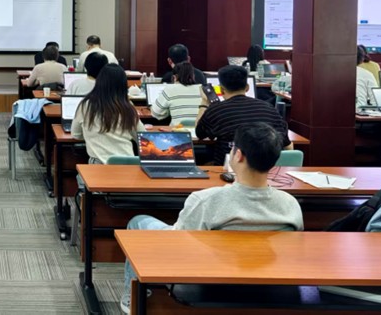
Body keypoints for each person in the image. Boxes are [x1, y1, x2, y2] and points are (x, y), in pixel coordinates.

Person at [120, 124, 304, 314]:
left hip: (210, 281)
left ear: (238, 155)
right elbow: (294, 247)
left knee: (138, 222)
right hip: (269, 284)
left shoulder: (205, 200)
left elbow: (177, 245)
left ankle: (131, 299)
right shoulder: (290, 204)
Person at [194, 65, 291, 164]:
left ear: (222, 90)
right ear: (247, 87)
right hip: (265, 168)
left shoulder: (216, 110)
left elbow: (199, 134)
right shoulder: (270, 108)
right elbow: (287, 145)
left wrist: (204, 102)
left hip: (228, 168)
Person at [71, 65, 143, 162]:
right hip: (128, 164)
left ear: (99, 82)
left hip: (99, 165)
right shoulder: (127, 106)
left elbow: (76, 134)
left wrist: (91, 135)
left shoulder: (85, 105)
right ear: (123, 85)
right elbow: (142, 136)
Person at [151, 61, 207, 125]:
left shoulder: (170, 89)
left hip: (178, 130)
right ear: (193, 76)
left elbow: (156, 113)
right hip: (201, 130)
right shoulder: (203, 89)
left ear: (174, 77)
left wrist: (168, 111)